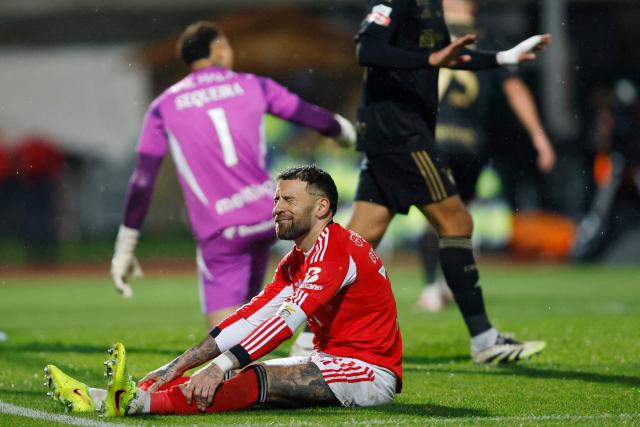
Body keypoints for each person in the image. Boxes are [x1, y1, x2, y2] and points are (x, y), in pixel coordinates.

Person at [46, 165, 402, 416]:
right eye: (277, 200)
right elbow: (251, 316)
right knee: (235, 374)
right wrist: (178, 365)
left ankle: (138, 404)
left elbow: (285, 324)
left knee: (254, 376)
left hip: (368, 371)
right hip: (327, 360)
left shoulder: (336, 249)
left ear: (322, 207)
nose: (277, 209)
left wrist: (218, 366)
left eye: (289, 201)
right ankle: (97, 397)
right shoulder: (295, 261)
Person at [341, 0, 549, 364]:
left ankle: (309, 338)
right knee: (456, 222)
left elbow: (449, 60)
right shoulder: (395, 4)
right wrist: (430, 61)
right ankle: (484, 339)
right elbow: (366, 49)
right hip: (402, 135)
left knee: (357, 243)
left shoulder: (428, 11)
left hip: (393, 135)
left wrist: (504, 58)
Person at [110, 22, 356, 329]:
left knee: (224, 339)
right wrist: (344, 131)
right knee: (254, 313)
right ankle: (304, 344)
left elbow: (143, 180)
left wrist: (126, 246)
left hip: (221, 227)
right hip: (265, 216)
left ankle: (248, 365)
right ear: (217, 50)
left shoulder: (164, 105)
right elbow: (306, 113)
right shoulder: (253, 84)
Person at [416, 0, 556, 312]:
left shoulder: (424, 32)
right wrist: (538, 134)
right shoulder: (488, 37)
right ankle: (447, 285)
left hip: (432, 136)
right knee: (459, 215)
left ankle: (430, 286)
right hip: (472, 143)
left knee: (436, 213)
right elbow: (513, 88)